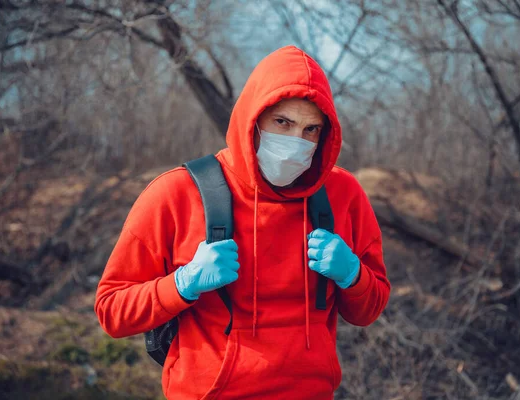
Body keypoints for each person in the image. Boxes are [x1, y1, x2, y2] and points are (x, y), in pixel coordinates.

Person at [95, 45, 391, 400]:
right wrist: (183, 283)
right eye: (282, 122)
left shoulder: (343, 194)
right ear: (253, 118)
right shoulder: (177, 192)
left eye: (310, 130)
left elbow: (369, 310)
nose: (296, 142)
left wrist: (353, 275)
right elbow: (112, 311)